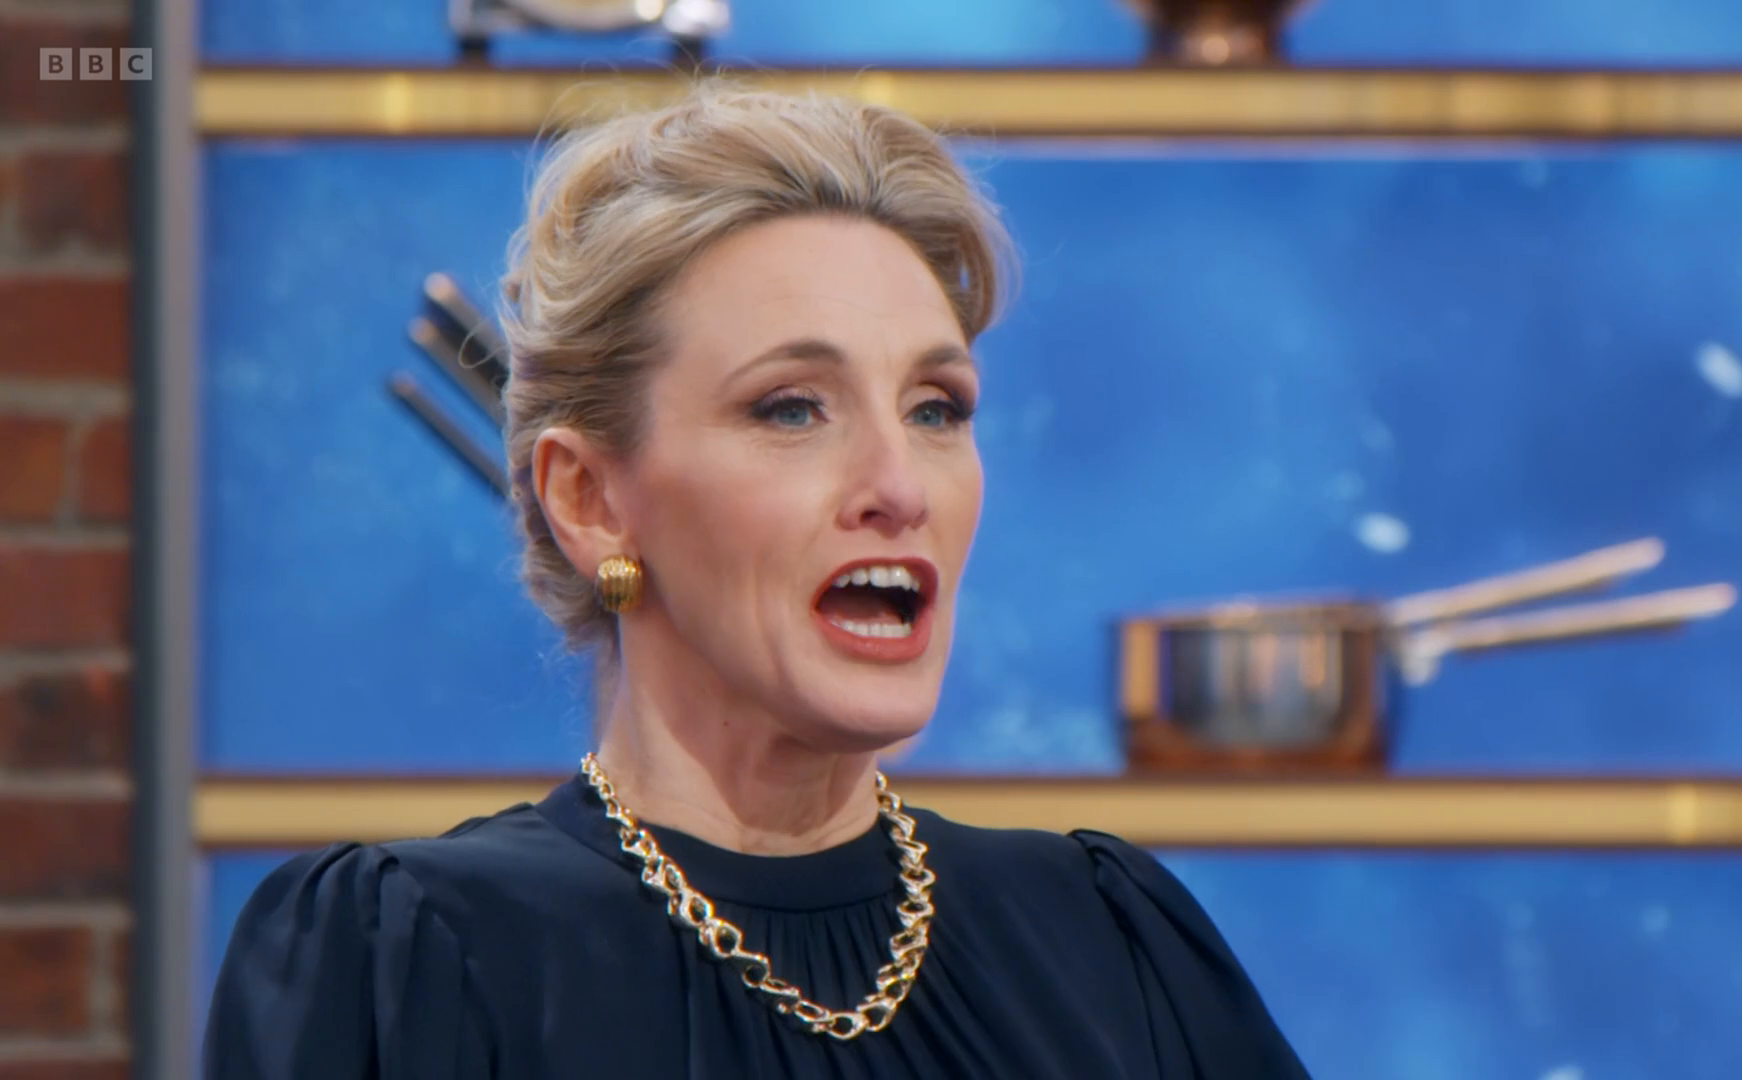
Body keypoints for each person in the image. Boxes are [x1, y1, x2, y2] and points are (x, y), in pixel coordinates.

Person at [203, 83, 1314, 1079]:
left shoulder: (1108, 942)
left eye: (936, 409)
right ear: (589, 499)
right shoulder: (415, 954)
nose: (899, 486)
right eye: (792, 408)